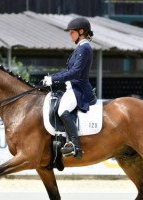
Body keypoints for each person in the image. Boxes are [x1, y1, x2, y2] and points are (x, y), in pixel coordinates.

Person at [43, 17, 94, 160]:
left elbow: (75, 73)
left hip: (79, 89)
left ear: (81, 31)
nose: (69, 34)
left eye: (72, 32)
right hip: (72, 87)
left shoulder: (84, 48)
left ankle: (74, 145)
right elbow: (68, 72)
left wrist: (53, 79)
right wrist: (52, 77)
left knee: (62, 110)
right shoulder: (80, 48)